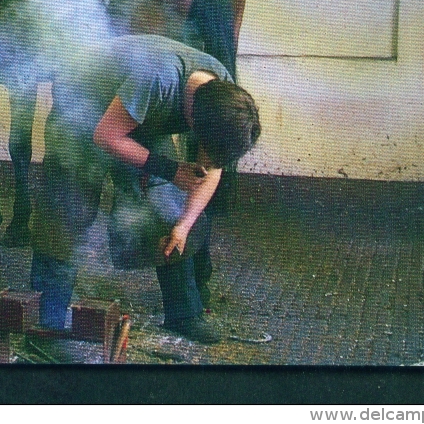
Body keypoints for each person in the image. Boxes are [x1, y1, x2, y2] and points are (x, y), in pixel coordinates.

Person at [30, 34, 260, 344]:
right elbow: (106, 136)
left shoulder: (226, 100)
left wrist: (183, 225)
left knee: (169, 206)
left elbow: (210, 170)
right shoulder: (157, 78)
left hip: (141, 115)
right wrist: (169, 168)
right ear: (194, 121)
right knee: (69, 212)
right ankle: (48, 318)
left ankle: (184, 312)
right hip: (81, 109)